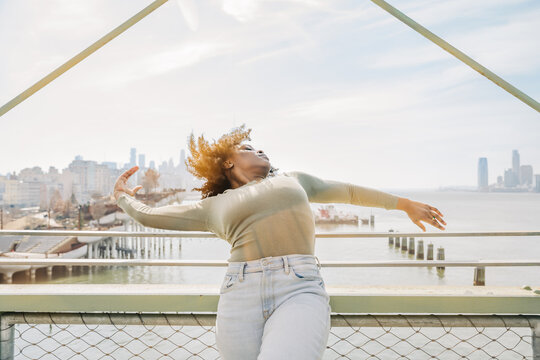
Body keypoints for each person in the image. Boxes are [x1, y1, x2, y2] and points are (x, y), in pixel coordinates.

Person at [113, 124, 446, 359]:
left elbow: (350, 192)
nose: (260, 150)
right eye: (248, 148)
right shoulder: (211, 207)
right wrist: (122, 198)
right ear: (228, 162)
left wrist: (404, 204)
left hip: (299, 289)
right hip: (239, 294)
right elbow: (148, 216)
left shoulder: (293, 180)